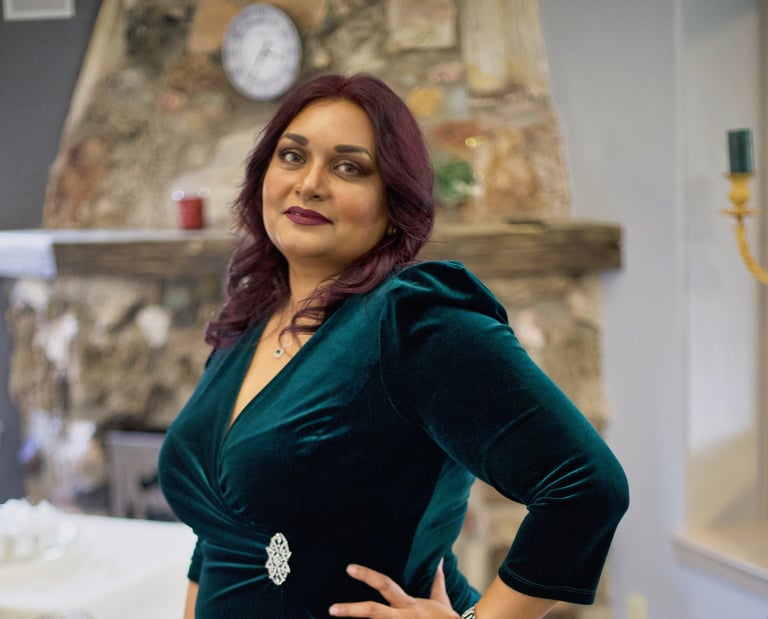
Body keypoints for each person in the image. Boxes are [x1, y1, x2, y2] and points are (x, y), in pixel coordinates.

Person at [158, 73, 629, 619]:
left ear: (393, 206)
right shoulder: (245, 325)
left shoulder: (415, 321)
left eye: (349, 167)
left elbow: (587, 488)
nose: (309, 184)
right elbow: (219, 533)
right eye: (292, 156)